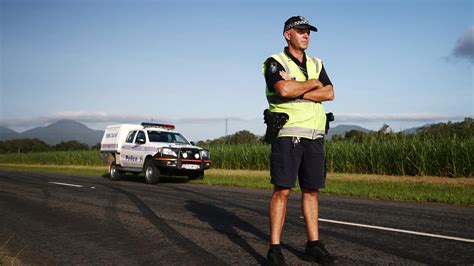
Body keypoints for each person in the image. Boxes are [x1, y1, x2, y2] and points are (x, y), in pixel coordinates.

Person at [262, 16, 335, 265]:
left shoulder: (316, 63)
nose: (306, 35)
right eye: (301, 31)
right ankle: (274, 249)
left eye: (308, 32)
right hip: (288, 135)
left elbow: (330, 92)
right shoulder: (274, 62)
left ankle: (313, 244)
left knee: (311, 191)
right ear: (287, 34)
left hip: (315, 136)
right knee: (282, 191)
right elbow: (282, 90)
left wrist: (302, 84)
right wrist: (313, 85)